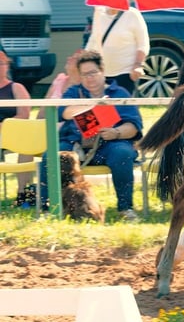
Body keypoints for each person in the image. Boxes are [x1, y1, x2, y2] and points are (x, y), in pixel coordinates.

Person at [40, 50, 143, 220]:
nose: (89, 78)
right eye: (84, 74)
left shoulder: (120, 93)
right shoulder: (74, 92)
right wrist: (95, 109)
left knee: (123, 153)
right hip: (75, 143)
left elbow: (133, 126)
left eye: (93, 73)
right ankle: (48, 210)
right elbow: (64, 111)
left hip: (110, 143)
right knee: (51, 155)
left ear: (102, 70)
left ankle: (126, 209)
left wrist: (115, 132)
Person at [85, 6, 150, 95]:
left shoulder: (132, 14)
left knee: (123, 107)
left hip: (126, 73)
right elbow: (93, 40)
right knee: (104, 107)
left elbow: (143, 43)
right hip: (102, 73)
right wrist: (83, 61)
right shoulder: (99, 13)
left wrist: (138, 65)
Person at [0, 50, 35, 206]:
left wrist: (4, 124)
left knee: (27, 144)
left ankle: (23, 193)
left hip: (12, 132)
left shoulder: (16, 88)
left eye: (1, 63)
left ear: (7, 66)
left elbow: (24, 114)